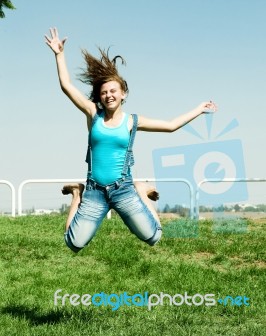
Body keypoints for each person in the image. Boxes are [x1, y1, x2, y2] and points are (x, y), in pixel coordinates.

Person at [45, 27, 217, 253]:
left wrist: (198, 109)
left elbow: (171, 125)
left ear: (123, 93)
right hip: (95, 191)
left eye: (113, 91)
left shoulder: (132, 121)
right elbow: (66, 86)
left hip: (123, 189)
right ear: (100, 97)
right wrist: (59, 55)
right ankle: (77, 192)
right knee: (74, 243)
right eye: (104, 92)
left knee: (153, 236)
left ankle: (142, 191)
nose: (109, 95)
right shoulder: (92, 114)